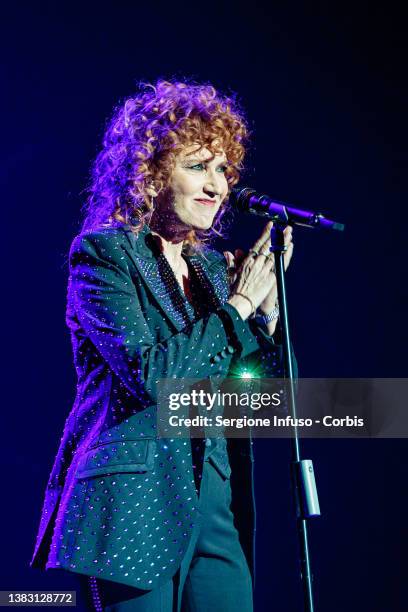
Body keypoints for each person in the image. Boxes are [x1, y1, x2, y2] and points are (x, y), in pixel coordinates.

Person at [30, 79, 293, 611]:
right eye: (198, 166)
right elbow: (151, 377)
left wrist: (263, 320)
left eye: (223, 169)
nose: (217, 187)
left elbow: (247, 404)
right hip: (133, 502)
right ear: (149, 175)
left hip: (217, 503)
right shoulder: (104, 255)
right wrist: (239, 308)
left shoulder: (213, 272)